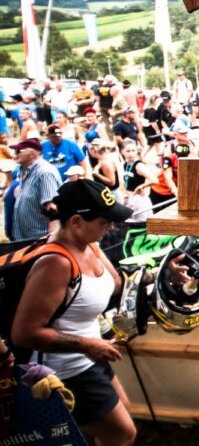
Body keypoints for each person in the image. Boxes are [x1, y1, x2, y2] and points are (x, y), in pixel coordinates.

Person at [11, 180, 136, 445]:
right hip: (65, 369)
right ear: (77, 221)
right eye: (104, 221)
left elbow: (116, 285)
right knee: (122, 433)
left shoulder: (90, 244)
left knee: (119, 416)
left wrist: (161, 274)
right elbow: (24, 333)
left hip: (91, 356)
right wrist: (86, 344)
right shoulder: (55, 264)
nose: (111, 227)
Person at [11, 137, 62, 241]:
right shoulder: (25, 169)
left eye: (18, 151)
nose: (15, 154)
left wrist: (51, 240)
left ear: (31, 154)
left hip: (41, 239)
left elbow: (52, 207)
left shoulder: (45, 172)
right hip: (26, 237)